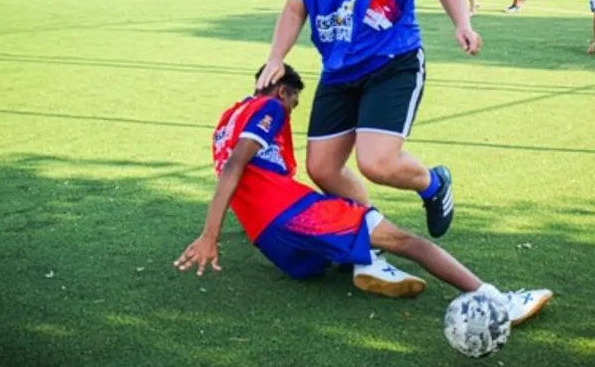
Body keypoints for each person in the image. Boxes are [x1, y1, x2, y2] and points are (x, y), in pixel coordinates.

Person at [175, 63, 554, 325]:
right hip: (296, 215)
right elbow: (234, 168)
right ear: (282, 89)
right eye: (294, 102)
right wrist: (210, 235)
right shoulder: (270, 107)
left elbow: (237, 175)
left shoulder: (227, 119)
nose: (291, 110)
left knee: (322, 258)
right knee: (407, 241)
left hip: (271, 242)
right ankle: (499, 301)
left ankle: (361, 260)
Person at [254, 0, 481, 249]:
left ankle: (434, 182)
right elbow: (295, 9)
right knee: (322, 169)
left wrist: (463, 23)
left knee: (376, 163)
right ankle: (368, 235)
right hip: (339, 70)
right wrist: (276, 56)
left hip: (393, 62)